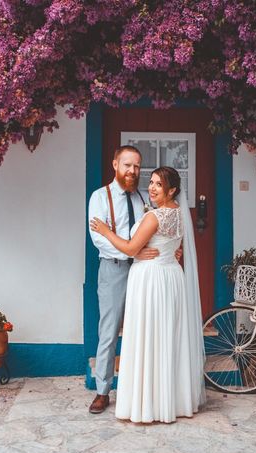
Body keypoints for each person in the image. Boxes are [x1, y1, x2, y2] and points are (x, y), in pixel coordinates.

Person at [90, 166, 206, 423]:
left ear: (172, 190)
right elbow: (176, 250)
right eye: (151, 182)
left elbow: (131, 248)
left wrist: (106, 231)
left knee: (148, 335)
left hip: (151, 279)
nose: (151, 188)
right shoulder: (179, 214)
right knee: (165, 336)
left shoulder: (156, 216)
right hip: (171, 276)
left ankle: (147, 403)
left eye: (158, 185)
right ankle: (170, 400)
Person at [87, 145, 159, 414]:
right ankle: (102, 391)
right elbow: (99, 240)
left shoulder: (142, 198)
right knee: (108, 331)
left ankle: (138, 387)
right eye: (127, 165)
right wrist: (132, 250)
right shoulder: (100, 197)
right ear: (115, 164)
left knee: (142, 328)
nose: (133, 171)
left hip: (142, 270)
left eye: (137, 166)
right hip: (114, 269)